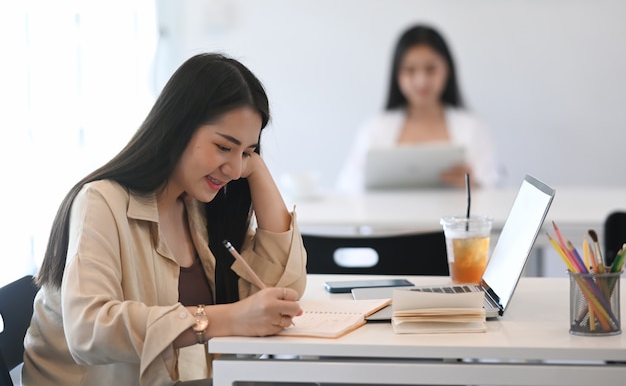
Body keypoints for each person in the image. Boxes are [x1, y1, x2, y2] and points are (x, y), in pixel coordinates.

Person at [22, 53, 308, 386]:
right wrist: (221, 318)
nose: (234, 170)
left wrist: (257, 169)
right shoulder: (102, 201)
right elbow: (89, 331)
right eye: (223, 147)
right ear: (179, 126)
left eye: (246, 152)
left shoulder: (198, 207)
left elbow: (283, 290)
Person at [335, 24, 503, 193]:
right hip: (386, 219)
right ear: (397, 74)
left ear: (447, 70)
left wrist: (474, 185)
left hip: (453, 218)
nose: (421, 81)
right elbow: (346, 186)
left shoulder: (472, 127)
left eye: (431, 69)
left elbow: (493, 187)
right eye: (410, 70)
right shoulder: (375, 128)